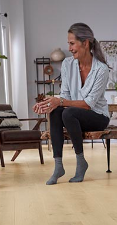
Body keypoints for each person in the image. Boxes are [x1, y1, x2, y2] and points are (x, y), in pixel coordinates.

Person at [34, 23, 110, 185]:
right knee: (56, 111)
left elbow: (89, 104)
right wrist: (49, 104)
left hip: (98, 116)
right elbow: (65, 96)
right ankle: (58, 166)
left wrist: (60, 102)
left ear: (85, 43)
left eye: (72, 43)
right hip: (75, 115)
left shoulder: (101, 70)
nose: (69, 47)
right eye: (69, 43)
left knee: (68, 112)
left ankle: (81, 162)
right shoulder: (68, 64)